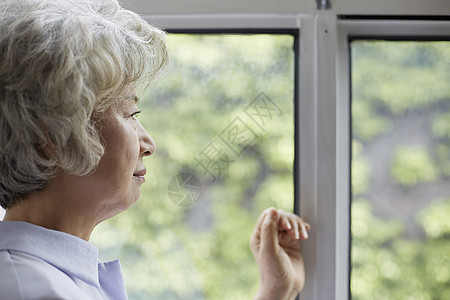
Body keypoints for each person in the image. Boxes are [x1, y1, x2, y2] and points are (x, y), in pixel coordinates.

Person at [0, 0, 310, 299]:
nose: (149, 144)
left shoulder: (46, 277)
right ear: (50, 139)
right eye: (131, 114)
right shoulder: (32, 289)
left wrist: (276, 291)